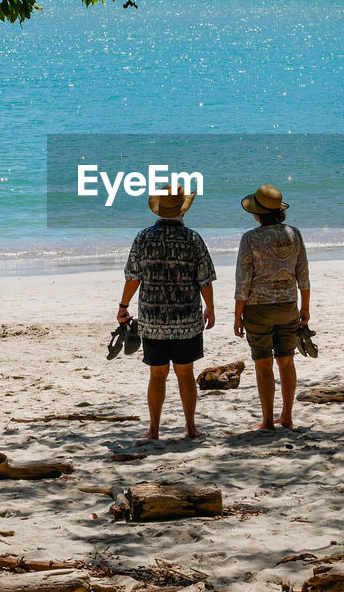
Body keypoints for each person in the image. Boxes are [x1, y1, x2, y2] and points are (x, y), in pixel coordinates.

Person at [117, 186, 216, 439]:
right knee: (185, 373)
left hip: (153, 319)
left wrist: (123, 306)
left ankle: (154, 430)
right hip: (187, 319)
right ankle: (191, 428)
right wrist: (210, 309)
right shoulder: (193, 239)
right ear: (182, 210)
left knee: (157, 374)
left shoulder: (143, 237)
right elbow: (204, 280)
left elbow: (133, 278)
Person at [233, 184, 310, 430]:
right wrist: (305, 307)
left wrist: (237, 316)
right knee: (286, 362)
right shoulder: (294, 233)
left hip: (258, 308)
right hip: (288, 305)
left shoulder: (250, 238)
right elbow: (303, 274)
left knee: (263, 364)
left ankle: (267, 420)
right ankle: (287, 416)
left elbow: (243, 280)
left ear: (257, 214)